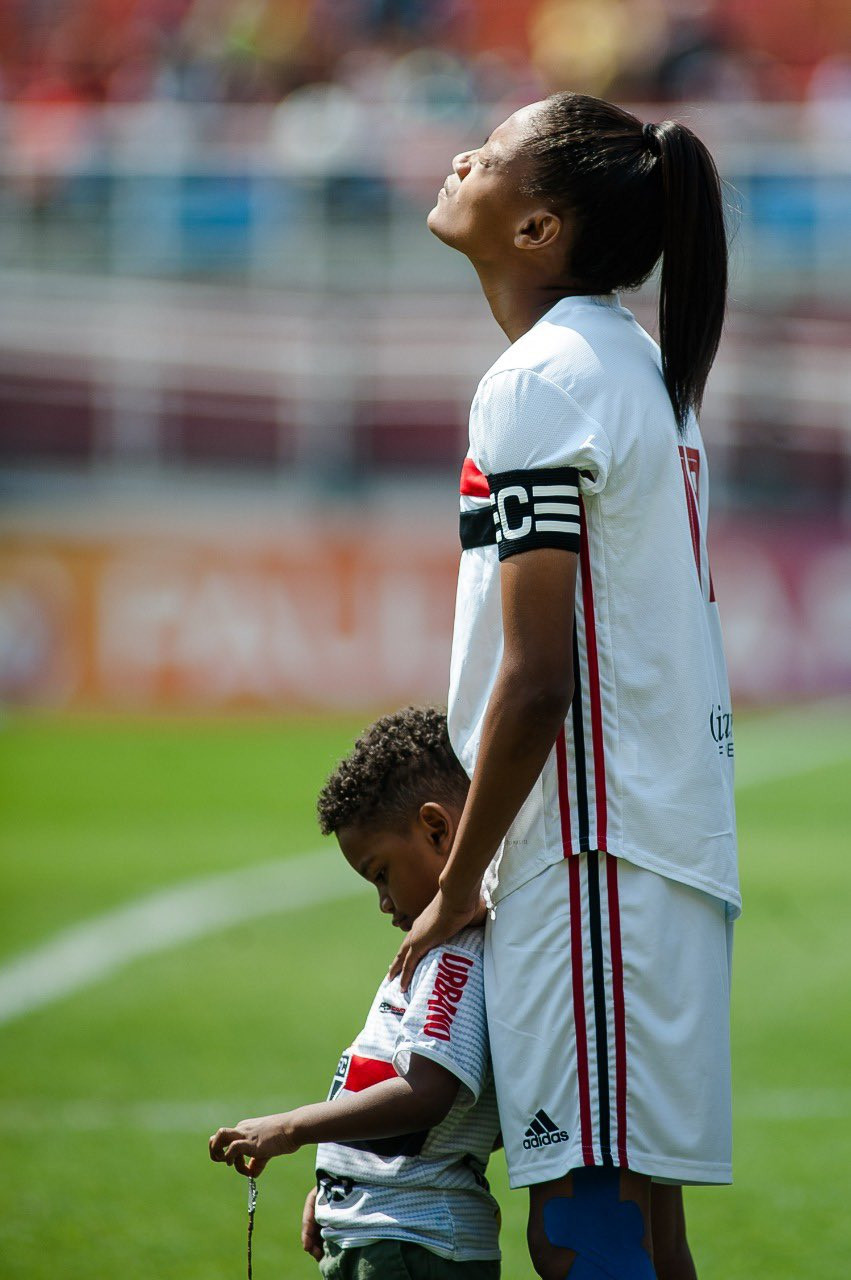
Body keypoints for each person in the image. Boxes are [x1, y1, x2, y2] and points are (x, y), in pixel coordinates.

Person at [390, 92, 740, 1280]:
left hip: (592, 853)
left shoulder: (541, 377)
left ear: (538, 230)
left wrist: (457, 885)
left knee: (583, 1225)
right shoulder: (634, 362)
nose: (457, 159)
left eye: (484, 156)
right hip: (652, 847)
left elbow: (539, 681)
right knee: (637, 1225)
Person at [209, 707, 502, 1279]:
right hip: (381, 1230)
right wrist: (339, 1184)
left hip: (412, 1242)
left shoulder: (456, 954)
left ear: (437, 830)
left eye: (381, 873)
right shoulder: (437, 946)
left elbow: (426, 1094)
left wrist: (292, 1128)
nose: (384, 903)